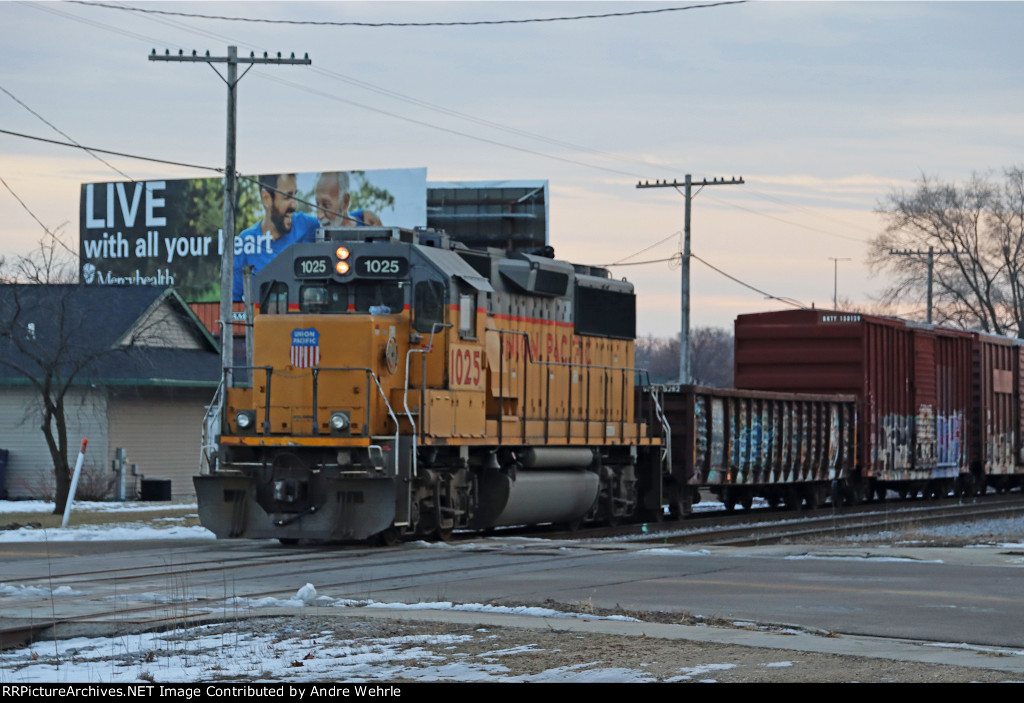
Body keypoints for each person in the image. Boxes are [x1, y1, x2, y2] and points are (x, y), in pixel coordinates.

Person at [233, 173, 319, 302]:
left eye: (295, 195)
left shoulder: (309, 227)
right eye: (287, 196)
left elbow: (340, 223)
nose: (295, 204)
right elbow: (233, 300)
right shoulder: (245, 242)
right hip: (262, 320)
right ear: (266, 198)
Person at [314, 171, 382, 228]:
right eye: (317, 204)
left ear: (345, 201)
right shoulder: (314, 231)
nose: (319, 216)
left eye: (326, 205)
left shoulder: (366, 222)